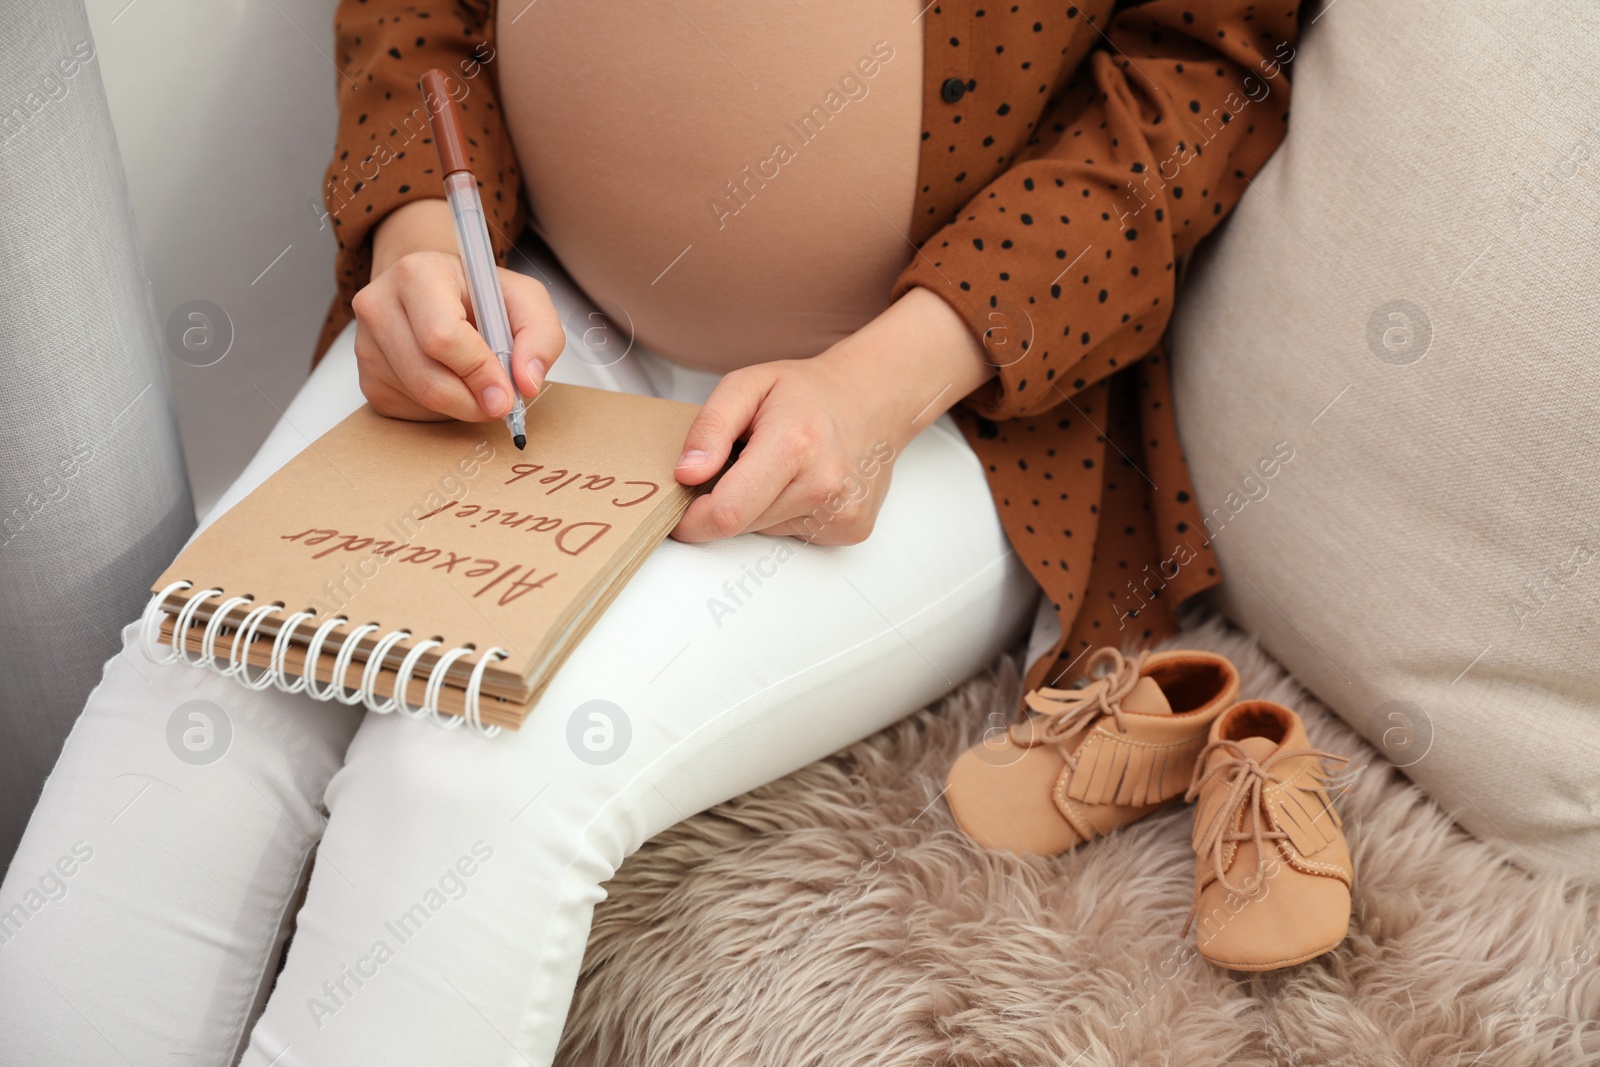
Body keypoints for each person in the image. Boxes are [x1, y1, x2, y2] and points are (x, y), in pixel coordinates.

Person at [0, 1, 1300, 1063]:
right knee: (214, 669)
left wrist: (887, 385)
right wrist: (417, 239)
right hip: (533, 315)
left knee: (471, 771)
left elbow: (1198, 78)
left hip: (943, 402)